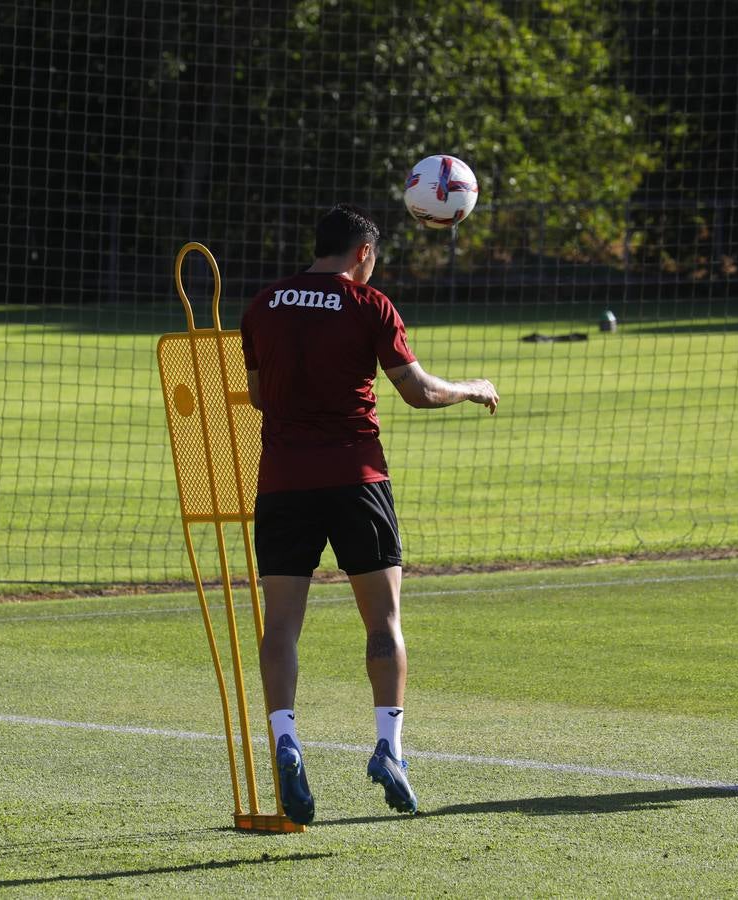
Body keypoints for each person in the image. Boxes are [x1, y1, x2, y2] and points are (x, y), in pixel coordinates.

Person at [241, 205, 499, 825]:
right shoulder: (369, 304)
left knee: (282, 626)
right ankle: (390, 749)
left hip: (282, 483)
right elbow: (417, 390)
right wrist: (472, 387)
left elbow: (255, 392)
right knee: (383, 624)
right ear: (362, 252)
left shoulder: (263, 305)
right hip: (358, 479)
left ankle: (285, 739)